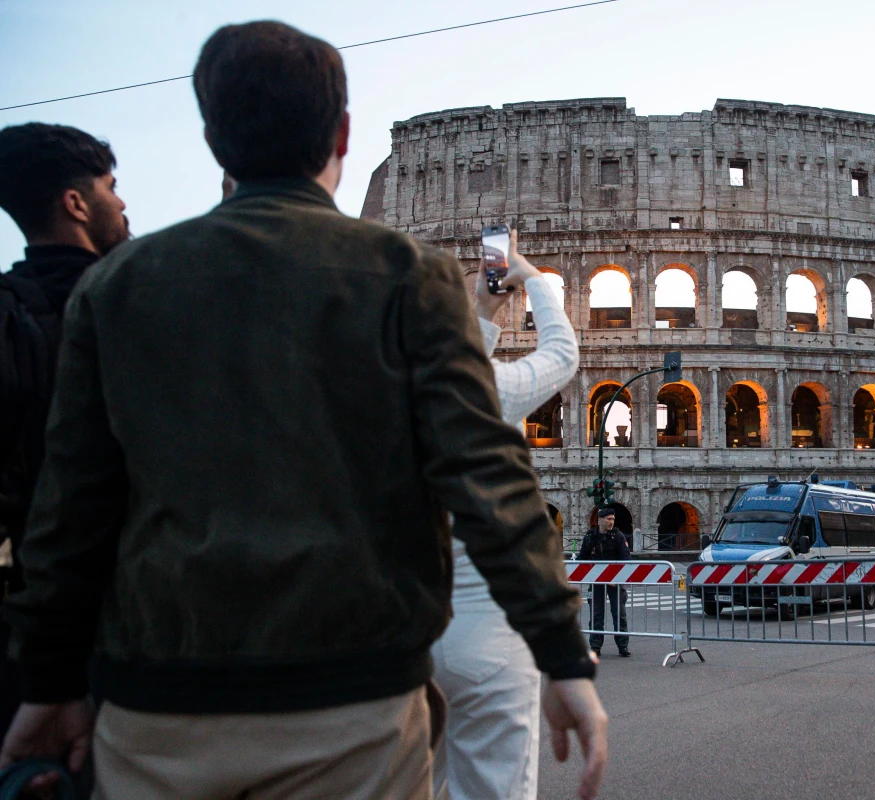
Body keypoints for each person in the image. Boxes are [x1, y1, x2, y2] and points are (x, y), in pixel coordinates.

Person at [0, 20, 607, 800]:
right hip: (350, 699)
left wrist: (48, 682)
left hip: (162, 694)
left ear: (215, 139)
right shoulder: (405, 276)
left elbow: (71, 503)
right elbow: (487, 476)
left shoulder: (119, 285)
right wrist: (559, 652)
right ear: (343, 135)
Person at [432, 228, 579, 800]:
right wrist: (535, 280)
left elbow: (446, 367)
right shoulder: (491, 387)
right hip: (489, 622)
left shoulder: (371, 388)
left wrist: (482, 315)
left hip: (410, 618)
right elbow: (562, 355)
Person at [0, 123, 130, 743]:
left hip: (38, 623)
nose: (122, 203)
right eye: (111, 188)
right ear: (76, 204)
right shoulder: (143, 303)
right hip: (146, 625)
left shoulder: (8, 308)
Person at [578, 508, 631, 658]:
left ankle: (623, 646)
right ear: (599, 520)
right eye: (608, 519)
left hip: (615, 582)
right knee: (596, 614)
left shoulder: (618, 536)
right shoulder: (590, 537)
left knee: (619, 613)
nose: (611, 522)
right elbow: (583, 558)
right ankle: (595, 647)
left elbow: (626, 559)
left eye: (613, 519)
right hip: (596, 580)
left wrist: (617, 579)